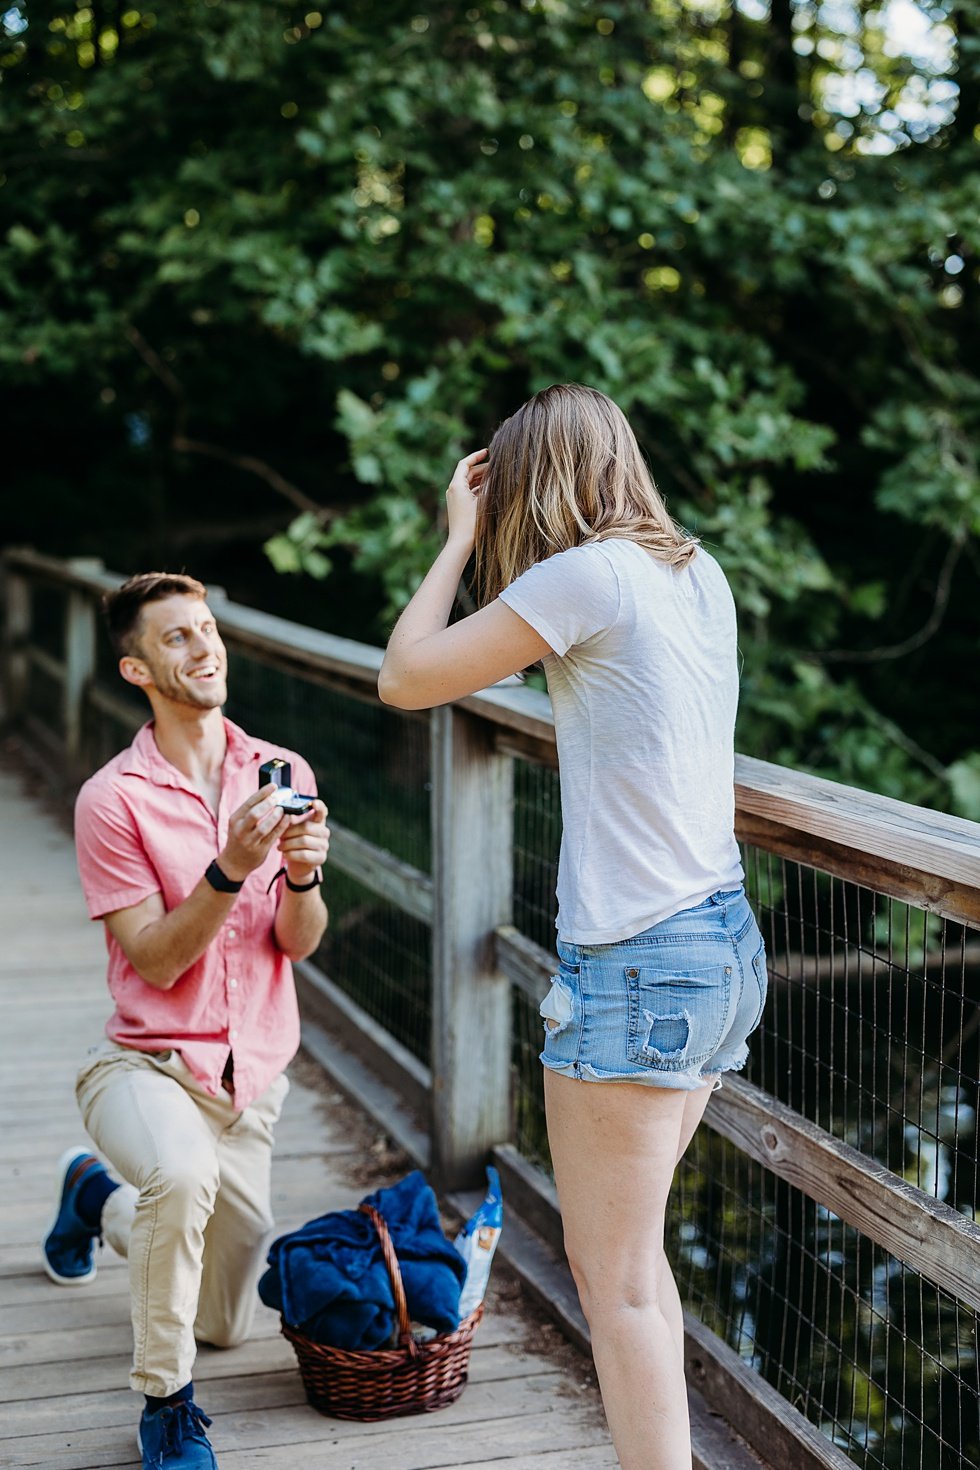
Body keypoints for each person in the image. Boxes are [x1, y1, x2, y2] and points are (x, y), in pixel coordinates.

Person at [378, 384, 767, 1470]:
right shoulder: (695, 572)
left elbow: (404, 676)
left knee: (615, 1282)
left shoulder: (584, 575)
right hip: (720, 941)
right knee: (634, 1266)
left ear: (528, 478)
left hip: (642, 961)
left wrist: (455, 542)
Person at [41, 573, 330, 1470]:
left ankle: (95, 1196)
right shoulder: (112, 799)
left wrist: (308, 874)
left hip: (251, 1084)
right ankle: (166, 1406)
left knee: (228, 1323)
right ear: (135, 668)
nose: (204, 648)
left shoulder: (280, 771)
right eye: (177, 638)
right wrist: (230, 867)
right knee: (182, 1174)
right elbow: (159, 960)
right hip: (148, 1063)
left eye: (207, 630)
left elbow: (299, 943)